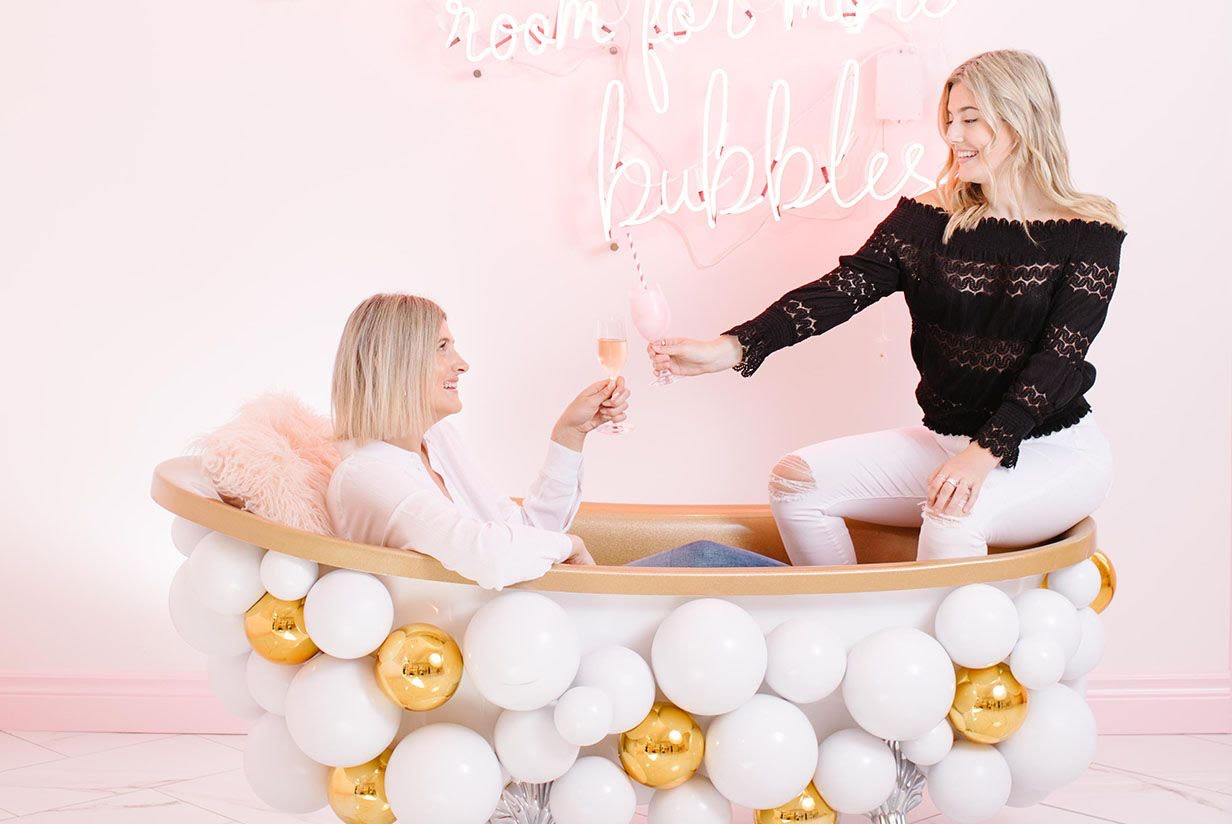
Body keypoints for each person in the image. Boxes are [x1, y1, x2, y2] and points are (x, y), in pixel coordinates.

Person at [649, 50, 1127, 566]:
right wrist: (736, 345)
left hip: (1050, 451)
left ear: (1023, 120)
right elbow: (842, 288)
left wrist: (982, 455)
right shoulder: (924, 219)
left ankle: (932, 650)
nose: (954, 136)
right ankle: (841, 628)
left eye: (971, 120)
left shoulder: (1090, 235)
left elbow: (1058, 362)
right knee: (797, 483)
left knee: (953, 514)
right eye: (949, 120)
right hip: (947, 443)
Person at [326, 294, 781, 591]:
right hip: (504, 638)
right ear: (396, 362)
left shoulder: (437, 442)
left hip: (535, 611)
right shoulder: (370, 473)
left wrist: (569, 434)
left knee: (708, 561)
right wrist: (570, 548)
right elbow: (490, 558)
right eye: (442, 347)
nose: (461, 363)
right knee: (704, 560)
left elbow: (524, 531)